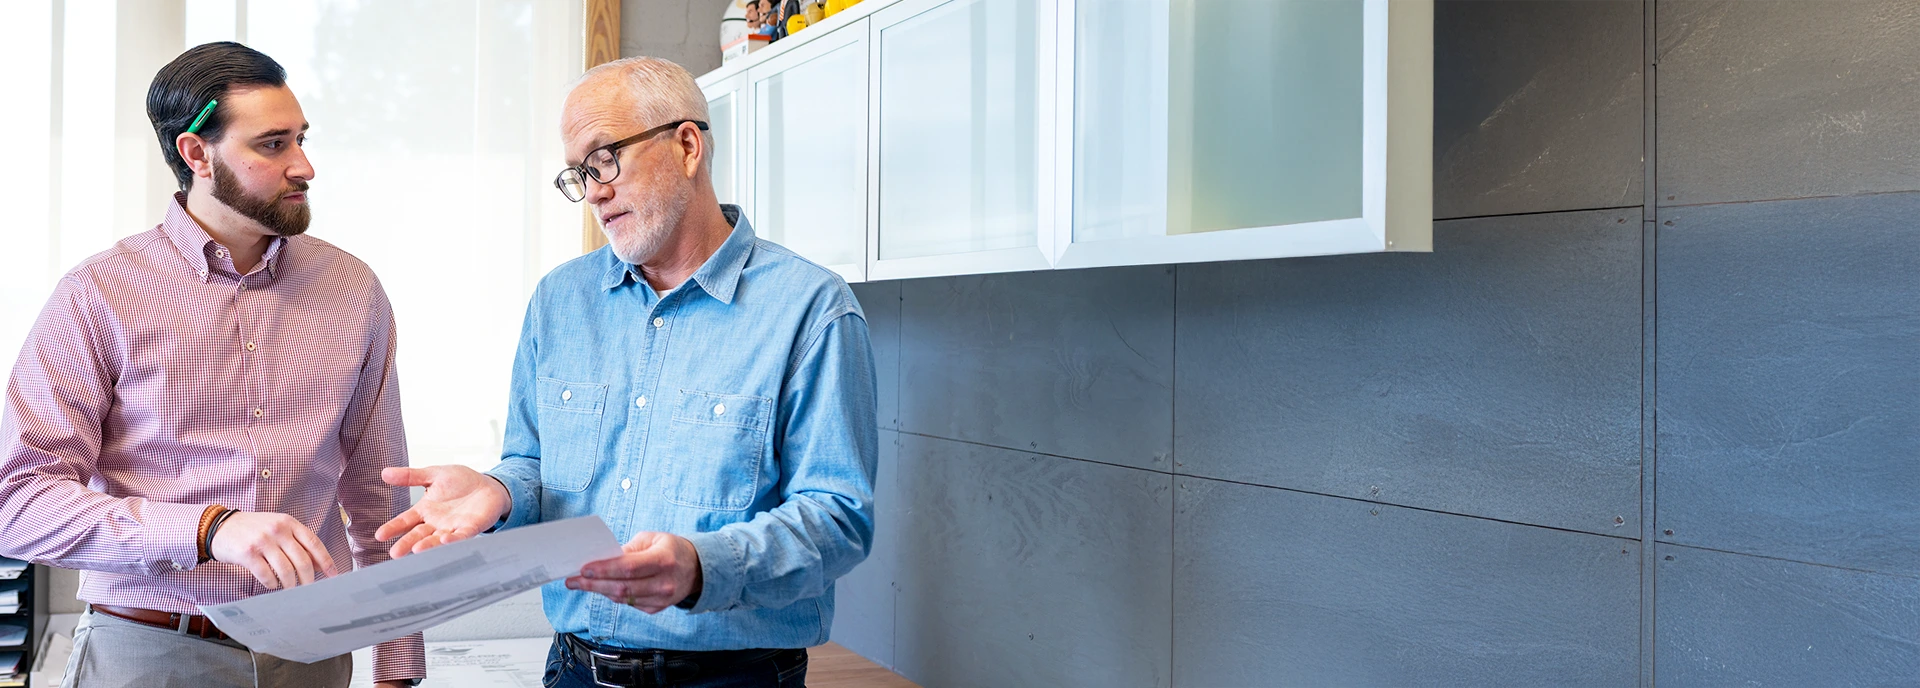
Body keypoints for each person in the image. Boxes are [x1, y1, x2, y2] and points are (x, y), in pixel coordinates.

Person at [377, 56, 877, 688]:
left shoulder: (811, 308)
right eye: (577, 175)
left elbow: (838, 517)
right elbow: (536, 464)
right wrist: (499, 491)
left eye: (605, 159)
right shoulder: (559, 301)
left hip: (734, 679)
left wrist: (702, 567)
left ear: (688, 146)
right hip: (575, 669)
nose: (592, 191)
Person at [0, 42, 425, 688]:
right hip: (147, 653)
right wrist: (206, 530)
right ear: (196, 154)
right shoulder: (97, 295)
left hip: (311, 658)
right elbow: (19, 503)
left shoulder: (353, 290)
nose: (304, 166)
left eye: (302, 139)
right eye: (273, 144)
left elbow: (380, 499)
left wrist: (398, 666)